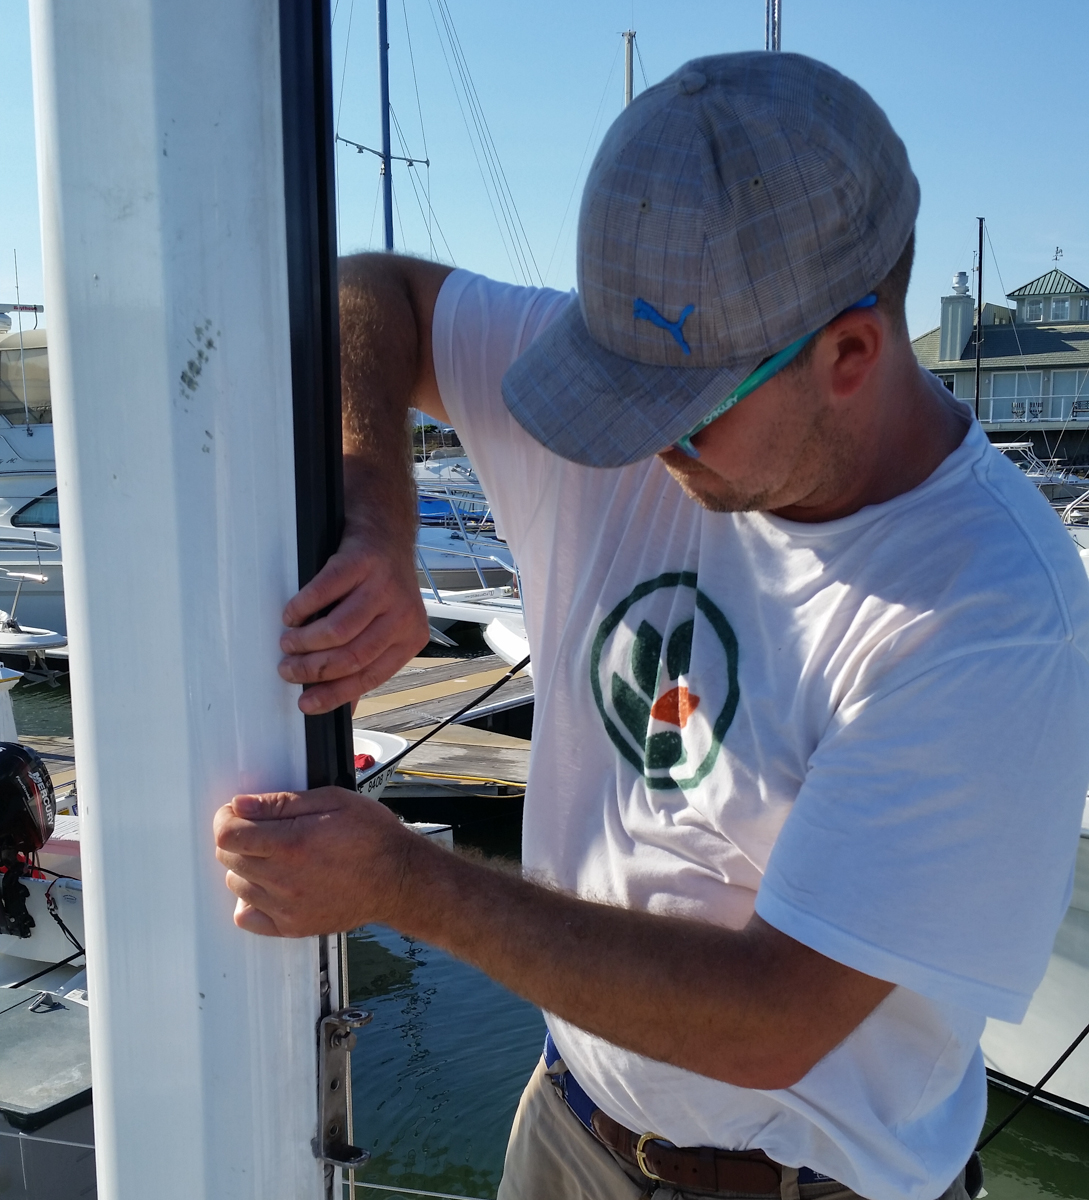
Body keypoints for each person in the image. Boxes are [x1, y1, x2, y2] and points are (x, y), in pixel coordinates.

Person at [213, 52, 1089, 1200]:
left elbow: (774, 1020)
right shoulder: (665, 375)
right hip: (570, 1120)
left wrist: (404, 884)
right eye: (614, 387)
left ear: (850, 353)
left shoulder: (992, 613)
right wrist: (376, 508)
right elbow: (374, 294)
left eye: (683, 411)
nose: (636, 441)